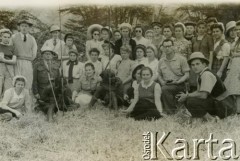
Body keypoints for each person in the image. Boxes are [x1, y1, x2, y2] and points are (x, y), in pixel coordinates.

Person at [178, 52, 236, 121]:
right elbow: (200, 92)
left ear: (204, 64)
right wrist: (186, 96)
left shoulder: (206, 74)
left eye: (197, 64)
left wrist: (187, 95)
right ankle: (200, 118)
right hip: (219, 104)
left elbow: (203, 95)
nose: (195, 67)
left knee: (191, 101)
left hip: (224, 106)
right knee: (188, 99)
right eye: (192, 65)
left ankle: (212, 120)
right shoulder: (201, 74)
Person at [158, 39, 190, 114]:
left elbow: (187, 75)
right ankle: (162, 110)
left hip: (179, 84)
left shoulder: (181, 59)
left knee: (165, 89)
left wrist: (179, 81)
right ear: (162, 48)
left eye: (169, 46)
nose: (167, 48)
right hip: (166, 83)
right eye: (165, 46)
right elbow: (159, 74)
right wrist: (162, 82)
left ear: (173, 47)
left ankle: (171, 112)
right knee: (162, 88)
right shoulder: (161, 61)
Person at [12, 19, 37, 90]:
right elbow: (10, 49)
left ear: (29, 28)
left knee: (27, 80)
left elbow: (34, 54)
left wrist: (26, 58)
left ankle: (26, 98)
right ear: (19, 27)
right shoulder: (13, 37)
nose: (24, 28)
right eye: (22, 26)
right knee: (16, 80)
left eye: (26, 26)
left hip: (27, 63)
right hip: (16, 62)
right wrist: (15, 58)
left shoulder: (32, 39)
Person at [191, 20, 214, 91]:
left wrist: (209, 65)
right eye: (199, 27)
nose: (201, 29)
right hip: (195, 63)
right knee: (196, 81)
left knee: (204, 80)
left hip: (204, 62)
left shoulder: (209, 38)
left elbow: (211, 52)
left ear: (206, 29)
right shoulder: (194, 38)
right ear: (197, 28)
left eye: (203, 28)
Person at [224, 20, 240, 114]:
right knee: (235, 90)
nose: (238, 31)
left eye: (239, 29)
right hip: (234, 67)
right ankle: (237, 111)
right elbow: (231, 57)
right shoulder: (236, 42)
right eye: (237, 29)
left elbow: (234, 54)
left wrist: (236, 54)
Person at [0, 29, 16, 97]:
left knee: (8, 87)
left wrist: (4, 60)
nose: (7, 39)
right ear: (0, 37)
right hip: (0, 68)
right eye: (5, 37)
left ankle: (4, 103)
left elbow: (14, 61)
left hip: (10, 69)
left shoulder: (12, 47)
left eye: (8, 37)